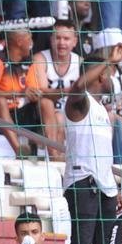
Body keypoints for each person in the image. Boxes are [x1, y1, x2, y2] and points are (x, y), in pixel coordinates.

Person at [61, 44, 122, 244]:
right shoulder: (80, 102)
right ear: (101, 75)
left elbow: (103, 155)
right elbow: (77, 85)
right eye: (110, 72)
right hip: (83, 184)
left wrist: (114, 188)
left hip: (105, 188)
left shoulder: (101, 110)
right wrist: (108, 60)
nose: (113, 77)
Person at [0, 30, 45, 156]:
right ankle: (18, 149)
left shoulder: (29, 62)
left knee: (45, 103)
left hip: (22, 109)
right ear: (19, 42)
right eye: (29, 39)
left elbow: (32, 89)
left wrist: (34, 94)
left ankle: (49, 149)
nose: (32, 43)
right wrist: (20, 93)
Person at [37, 19, 83, 149]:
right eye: (57, 38)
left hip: (72, 111)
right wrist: (69, 91)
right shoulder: (40, 58)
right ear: (51, 39)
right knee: (47, 104)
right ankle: (56, 158)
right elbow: (42, 91)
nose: (61, 43)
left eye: (66, 39)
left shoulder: (80, 62)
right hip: (45, 112)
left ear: (74, 41)